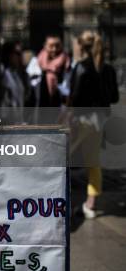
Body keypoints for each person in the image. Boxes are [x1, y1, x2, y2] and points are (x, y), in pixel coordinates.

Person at [68, 31, 119, 219]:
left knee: (62, 158)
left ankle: (55, 201)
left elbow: (75, 97)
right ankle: (90, 204)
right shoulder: (108, 69)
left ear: (81, 47)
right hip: (99, 121)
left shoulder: (81, 68)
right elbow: (114, 97)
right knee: (93, 161)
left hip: (81, 120)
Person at [30, 34, 71, 106]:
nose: (54, 49)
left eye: (57, 46)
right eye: (51, 46)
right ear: (45, 46)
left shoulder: (68, 64)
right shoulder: (35, 63)